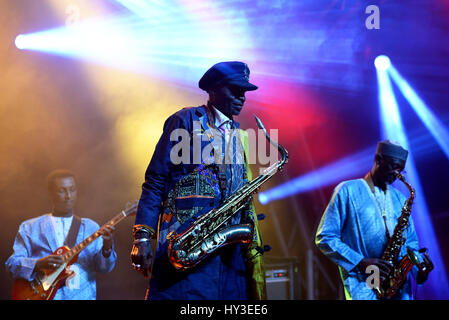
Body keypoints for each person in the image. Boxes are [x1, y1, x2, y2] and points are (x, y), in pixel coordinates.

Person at [130, 61, 267, 300]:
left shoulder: (239, 135)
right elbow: (156, 179)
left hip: (229, 258)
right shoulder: (185, 120)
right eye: (234, 89)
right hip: (188, 250)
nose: (242, 96)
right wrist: (142, 236)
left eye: (244, 91)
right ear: (213, 90)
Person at [315, 140, 433, 300]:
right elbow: (325, 237)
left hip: (399, 288)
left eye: (401, 170)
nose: (397, 175)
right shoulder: (347, 190)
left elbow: (411, 245)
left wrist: (419, 270)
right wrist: (361, 262)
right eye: (394, 167)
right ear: (378, 159)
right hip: (364, 286)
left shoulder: (400, 198)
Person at [5, 169, 117, 300]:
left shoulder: (91, 227)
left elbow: (104, 268)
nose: (68, 195)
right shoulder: (30, 227)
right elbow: (11, 265)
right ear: (51, 193)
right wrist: (38, 263)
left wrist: (107, 248)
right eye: (62, 190)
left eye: (72, 189)